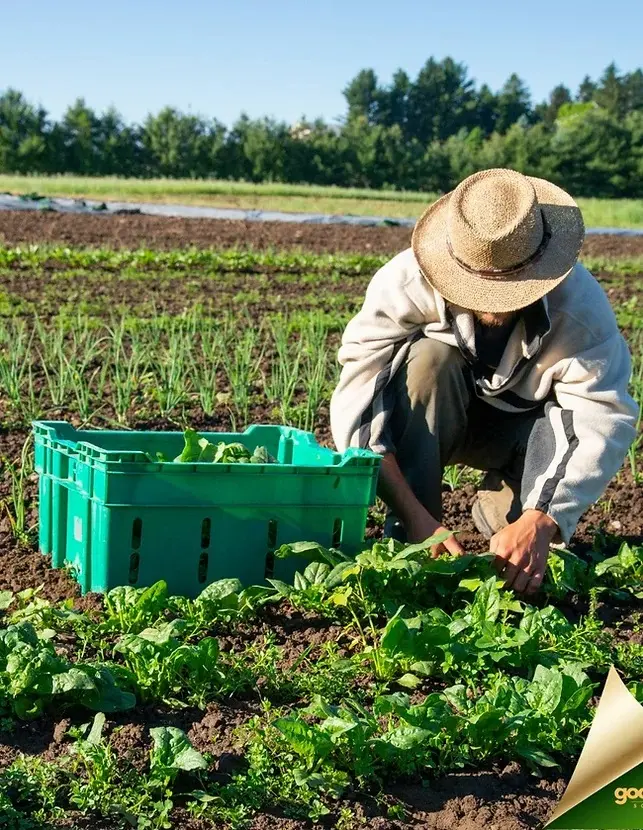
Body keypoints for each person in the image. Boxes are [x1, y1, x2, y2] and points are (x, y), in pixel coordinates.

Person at [330, 168, 638, 594]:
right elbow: (360, 403)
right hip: (439, 417)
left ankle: (508, 505)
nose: (493, 304)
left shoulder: (580, 309)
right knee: (427, 362)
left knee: (524, 556)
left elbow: (600, 416)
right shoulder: (404, 283)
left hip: (522, 434)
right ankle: (413, 537)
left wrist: (542, 520)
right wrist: (417, 518)